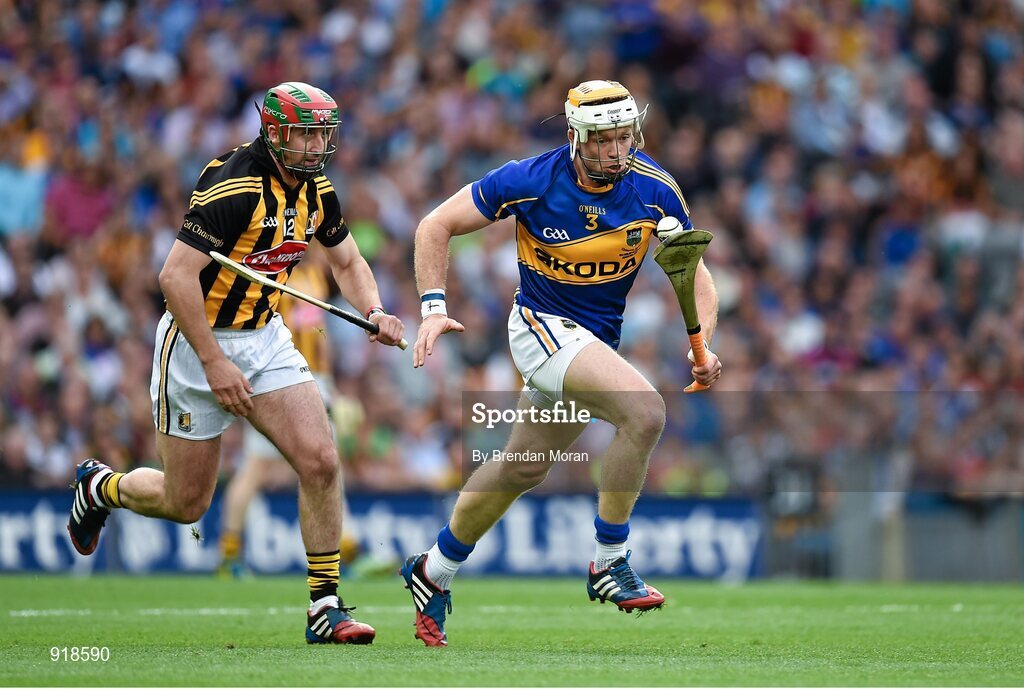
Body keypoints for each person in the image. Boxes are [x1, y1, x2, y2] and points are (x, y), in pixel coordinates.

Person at [66, 82, 404, 645]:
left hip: (265, 337)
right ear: (275, 132)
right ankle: (102, 488)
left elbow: (347, 259)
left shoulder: (317, 190)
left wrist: (375, 309)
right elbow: (174, 278)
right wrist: (214, 360)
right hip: (197, 342)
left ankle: (325, 606)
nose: (318, 144)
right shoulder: (233, 187)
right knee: (186, 502)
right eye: (306, 132)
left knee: (320, 460)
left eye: (324, 132)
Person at [402, 80, 722, 646]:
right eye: (603, 140)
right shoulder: (530, 179)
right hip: (538, 330)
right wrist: (432, 308)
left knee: (521, 468)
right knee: (644, 413)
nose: (617, 151)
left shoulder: (655, 190)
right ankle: (609, 560)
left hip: (592, 343)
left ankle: (432, 571)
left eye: (625, 137)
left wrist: (706, 343)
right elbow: (435, 226)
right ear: (575, 138)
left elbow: (693, 273)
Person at [217, 247, 362, 579]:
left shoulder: (314, 276)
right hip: (281, 379)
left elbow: (319, 338)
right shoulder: (273, 276)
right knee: (259, 468)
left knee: (324, 460)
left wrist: (330, 384)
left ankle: (349, 546)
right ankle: (229, 553)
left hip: (314, 380)